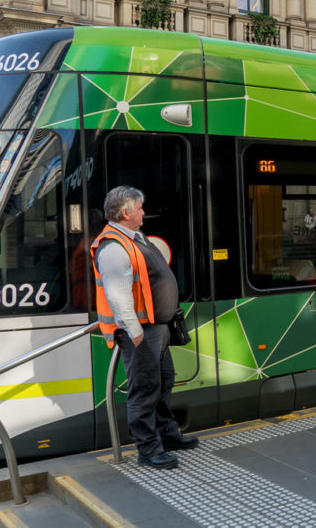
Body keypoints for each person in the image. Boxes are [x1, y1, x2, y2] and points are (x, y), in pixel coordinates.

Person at [91, 186, 197, 470]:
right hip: (142, 333)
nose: (142, 212)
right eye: (139, 208)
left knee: (164, 382)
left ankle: (167, 434)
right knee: (145, 388)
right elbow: (117, 294)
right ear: (126, 213)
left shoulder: (134, 239)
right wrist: (134, 331)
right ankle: (148, 450)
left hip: (157, 329)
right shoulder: (113, 247)